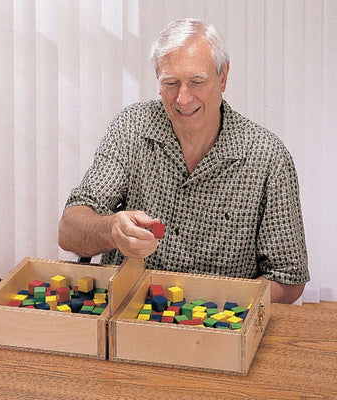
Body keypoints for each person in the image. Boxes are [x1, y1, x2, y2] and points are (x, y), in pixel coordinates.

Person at [58, 18, 309, 303]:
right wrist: (112, 231)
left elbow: (288, 279)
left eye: (197, 82)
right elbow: (69, 231)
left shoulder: (268, 157)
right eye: (170, 83)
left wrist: (214, 306)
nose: (183, 98)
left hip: (220, 325)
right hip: (126, 314)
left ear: (223, 77)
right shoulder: (131, 127)